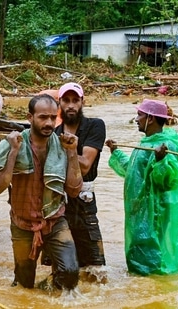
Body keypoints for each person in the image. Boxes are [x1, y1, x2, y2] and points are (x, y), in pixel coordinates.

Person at [0, 94, 82, 290]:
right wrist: (14, 152)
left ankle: (47, 292)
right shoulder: (11, 143)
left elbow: (74, 191)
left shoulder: (63, 145)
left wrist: (72, 153)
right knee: (24, 282)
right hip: (23, 222)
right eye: (42, 117)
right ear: (29, 118)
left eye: (52, 117)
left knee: (71, 273)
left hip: (54, 219)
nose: (49, 123)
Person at [105, 99, 178, 276]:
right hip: (140, 210)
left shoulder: (167, 146)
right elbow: (133, 172)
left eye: (140, 115)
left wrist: (162, 160)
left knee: (151, 252)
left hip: (155, 210)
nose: (137, 119)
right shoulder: (145, 143)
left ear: (151, 118)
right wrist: (115, 151)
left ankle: (155, 285)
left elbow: (170, 181)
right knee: (140, 248)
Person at [53, 82, 107, 279]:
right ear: (59, 103)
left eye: (75, 100)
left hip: (85, 200)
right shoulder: (53, 132)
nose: (71, 105)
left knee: (96, 270)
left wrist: (70, 149)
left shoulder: (95, 125)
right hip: (58, 202)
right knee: (60, 269)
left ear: (83, 102)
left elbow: (84, 167)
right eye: (66, 100)